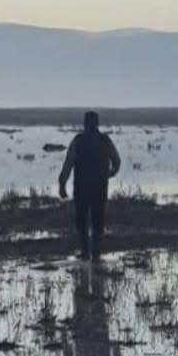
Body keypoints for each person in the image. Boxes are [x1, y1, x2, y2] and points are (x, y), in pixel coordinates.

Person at [58, 111, 121, 261]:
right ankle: (96, 255)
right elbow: (117, 161)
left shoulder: (78, 140)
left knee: (82, 221)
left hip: (82, 187)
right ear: (97, 123)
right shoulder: (105, 140)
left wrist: (62, 184)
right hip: (100, 187)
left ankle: (86, 253)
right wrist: (110, 173)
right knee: (98, 221)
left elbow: (68, 163)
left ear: (85, 123)